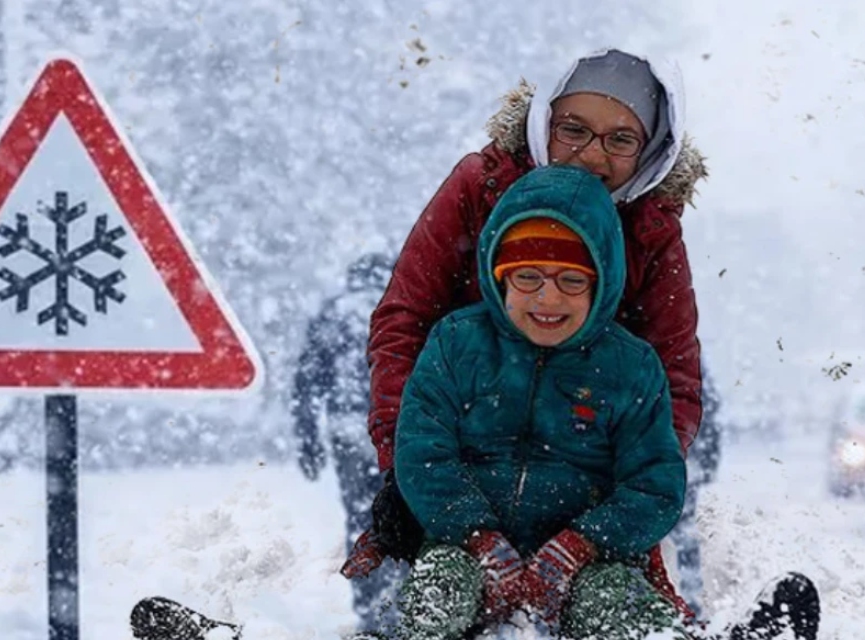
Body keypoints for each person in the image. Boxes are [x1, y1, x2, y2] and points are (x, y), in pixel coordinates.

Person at [350, 48, 709, 602]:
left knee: (613, 606)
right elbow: (405, 320)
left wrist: (626, 511)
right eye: (574, 130)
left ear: (651, 150)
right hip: (464, 449)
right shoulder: (482, 187)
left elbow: (673, 376)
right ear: (544, 122)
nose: (592, 155)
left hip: (582, 476)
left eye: (620, 139)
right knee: (427, 595)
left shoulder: (650, 228)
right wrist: (404, 464)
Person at [389, 165, 690, 639]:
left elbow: (656, 484)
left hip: (588, 562)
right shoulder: (457, 344)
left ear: (601, 283)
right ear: (500, 277)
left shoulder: (629, 367)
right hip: (465, 549)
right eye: (528, 276)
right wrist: (478, 538)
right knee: (440, 587)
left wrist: (582, 544)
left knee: (615, 604)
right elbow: (422, 454)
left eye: (572, 281)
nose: (548, 298)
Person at [291, 251, 405, 631]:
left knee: (361, 519)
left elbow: (307, 382)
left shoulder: (333, 313)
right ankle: (404, 606)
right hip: (394, 433)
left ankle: (369, 611)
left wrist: (308, 439)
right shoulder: (400, 310)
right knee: (405, 517)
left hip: (346, 433)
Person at [669, 360, 724, 618]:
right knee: (684, 536)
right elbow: (710, 414)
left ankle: (689, 601)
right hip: (683, 465)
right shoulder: (685, 363)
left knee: (683, 535)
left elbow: (709, 415)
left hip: (682, 466)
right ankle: (690, 602)